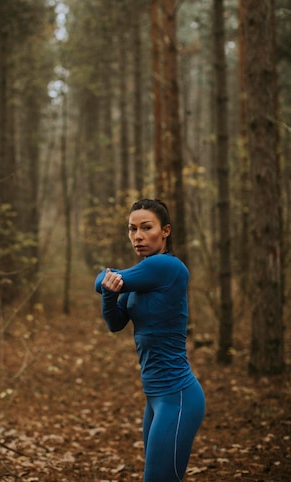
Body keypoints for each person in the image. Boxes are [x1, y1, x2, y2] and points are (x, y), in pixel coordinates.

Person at [94, 198, 205, 482]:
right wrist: (110, 294)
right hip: (154, 397)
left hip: (177, 396)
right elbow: (115, 323)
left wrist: (108, 283)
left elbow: (100, 280)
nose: (138, 236)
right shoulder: (141, 277)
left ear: (165, 231)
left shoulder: (166, 268)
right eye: (132, 229)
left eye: (146, 228)